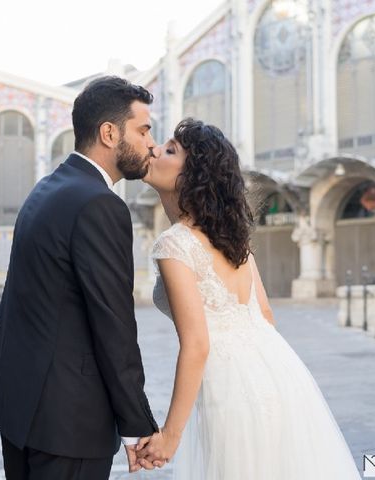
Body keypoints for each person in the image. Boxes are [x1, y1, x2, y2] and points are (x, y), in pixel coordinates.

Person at [136, 118, 362, 479]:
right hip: (282, 377)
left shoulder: (174, 243)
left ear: (193, 176)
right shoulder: (233, 240)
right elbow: (266, 315)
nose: (153, 149)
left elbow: (196, 344)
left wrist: (170, 436)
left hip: (230, 391)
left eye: (170, 149)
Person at [0, 76, 163, 480]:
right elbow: (114, 324)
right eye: (144, 130)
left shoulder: (47, 189)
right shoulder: (100, 205)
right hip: (68, 422)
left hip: (20, 408)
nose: (151, 144)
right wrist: (137, 424)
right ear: (109, 133)